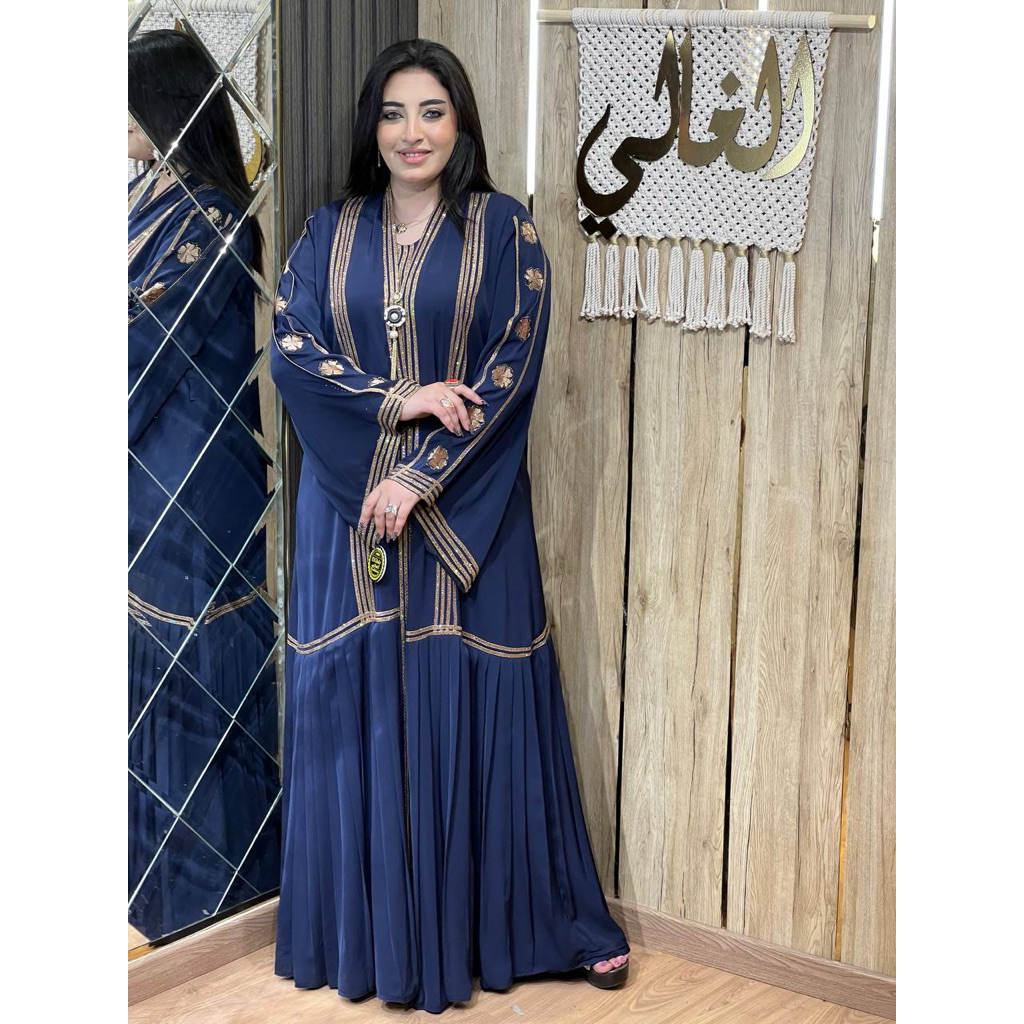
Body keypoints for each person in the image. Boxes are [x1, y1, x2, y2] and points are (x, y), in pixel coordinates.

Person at [270, 38, 630, 1014]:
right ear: (371, 128)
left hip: (471, 508)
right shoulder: (328, 232)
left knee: (490, 703)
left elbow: (510, 370)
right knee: (363, 711)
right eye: (393, 113)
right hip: (349, 516)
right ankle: (371, 940)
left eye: (431, 111)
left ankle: (533, 926)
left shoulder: (503, 232)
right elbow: (292, 348)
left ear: (460, 122)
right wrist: (399, 400)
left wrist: (420, 476)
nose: (411, 132)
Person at [128, 28, 278, 941]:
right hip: (146, 474)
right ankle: (156, 894)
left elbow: (147, 353)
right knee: (152, 672)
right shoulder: (149, 199)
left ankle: (217, 898)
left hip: (192, 479)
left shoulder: (213, 219)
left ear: (166, 107)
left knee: (199, 673)